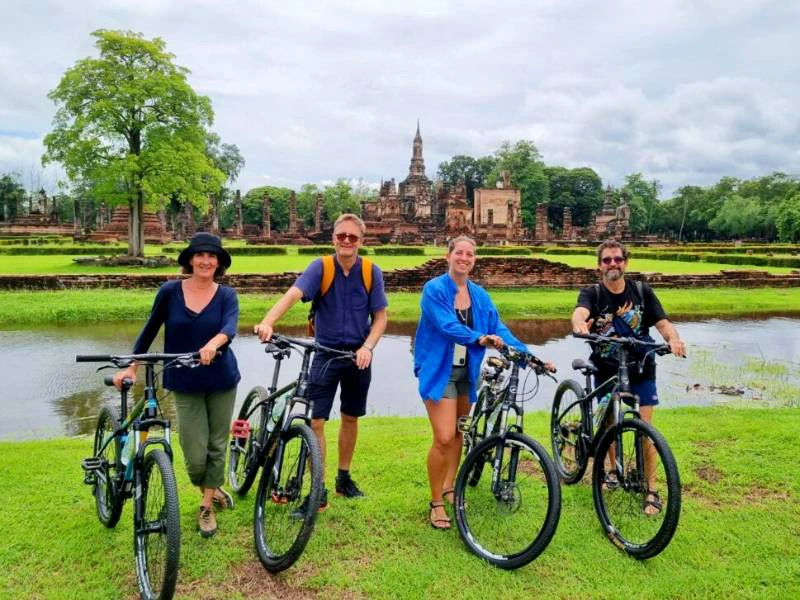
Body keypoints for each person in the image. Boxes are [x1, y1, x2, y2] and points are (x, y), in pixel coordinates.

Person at [413, 235, 555, 530]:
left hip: (468, 372)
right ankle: (436, 502)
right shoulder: (434, 290)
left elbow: (499, 330)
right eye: (459, 253)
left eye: (469, 254)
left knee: (459, 433)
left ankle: (450, 487)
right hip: (439, 370)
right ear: (448, 256)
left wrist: (533, 359)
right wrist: (479, 338)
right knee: (443, 436)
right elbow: (447, 326)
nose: (464, 258)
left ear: (474, 260)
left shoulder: (479, 295)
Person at [254, 213, 388, 510]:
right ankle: (319, 489)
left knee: (351, 417)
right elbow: (293, 295)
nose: (346, 241)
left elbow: (380, 318)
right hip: (325, 354)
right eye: (341, 236)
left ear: (361, 241)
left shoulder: (370, 272)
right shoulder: (321, 267)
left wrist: (368, 347)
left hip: (358, 356)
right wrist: (268, 322)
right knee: (316, 421)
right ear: (333, 238)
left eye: (352, 237)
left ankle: (343, 478)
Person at [113, 232, 240, 538]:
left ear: (219, 263)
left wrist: (213, 344)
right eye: (200, 255)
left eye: (212, 256)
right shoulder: (170, 292)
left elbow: (230, 327)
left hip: (221, 379)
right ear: (190, 260)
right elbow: (150, 330)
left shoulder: (227, 295)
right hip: (184, 380)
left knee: (217, 443)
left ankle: (206, 506)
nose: (206, 261)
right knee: (194, 451)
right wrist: (132, 366)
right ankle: (210, 486)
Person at [571, 239, 686, 516]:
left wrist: (673, 339)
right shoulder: (592, 293)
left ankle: (652, 489)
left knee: (646, 430)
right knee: (609, 423)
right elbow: (580, 313)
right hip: (606, 368)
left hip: (641, 366)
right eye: (607, 260)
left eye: (618, 259)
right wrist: (579, 324)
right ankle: (612, 470)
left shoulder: (642, 291)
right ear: (599, 265)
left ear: (626, 263)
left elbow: (663, 323)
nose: (613, 264)